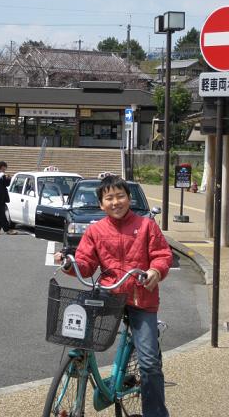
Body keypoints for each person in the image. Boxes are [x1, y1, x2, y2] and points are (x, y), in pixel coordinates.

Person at [54, 175, 172, 417]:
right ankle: (81, 370)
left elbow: (162, 255)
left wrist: (154, 271)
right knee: (79, 321)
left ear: (129, 198)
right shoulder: (96, 231)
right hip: (109, 294)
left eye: (120, 196)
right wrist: (69, 263)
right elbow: (86, 263)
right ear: (101, 204)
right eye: (109, 198)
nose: (115, 202)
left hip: (141, 298)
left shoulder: (147, 225)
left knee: (149, 363)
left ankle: (156, 414)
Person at [0, 161, 17, 235]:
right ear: (0, 168)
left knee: (0, 214)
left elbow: (6, 185)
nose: (4, 170)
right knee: (1, 214)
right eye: (4, 169)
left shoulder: (3, 175)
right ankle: (7, 229)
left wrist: (8, 179)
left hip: (3, 197)